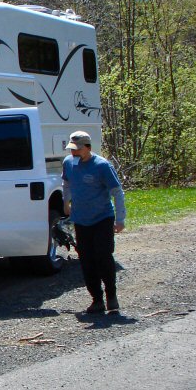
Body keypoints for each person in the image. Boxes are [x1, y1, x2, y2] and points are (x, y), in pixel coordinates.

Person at [61, 130, 126, 315]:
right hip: (81, 220)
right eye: (71, 149)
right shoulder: (69, 163)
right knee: (87, 260)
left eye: (77, 149)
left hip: (102, 218)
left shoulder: (102, 166)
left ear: (88, 147)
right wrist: (66, 202)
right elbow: (66, 183)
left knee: (103, 256)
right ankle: (96, 299)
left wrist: (120, 218)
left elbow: (117, 192)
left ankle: (111, 297)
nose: (73, 153)